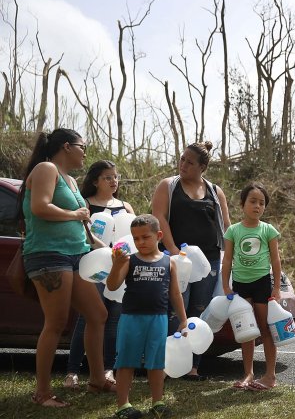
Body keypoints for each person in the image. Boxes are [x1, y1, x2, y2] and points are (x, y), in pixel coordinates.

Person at [19, 128, 114, 408]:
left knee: (98, 314)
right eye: (81, 146)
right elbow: (40, 207)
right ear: (65, 146)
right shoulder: (46, 168)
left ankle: (97, 380)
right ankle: (43, 393)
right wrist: (75, 213)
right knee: (56, 323)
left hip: (76, 256)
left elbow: (83, 228)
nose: (85, 152)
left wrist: (106, 248)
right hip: (49, 256)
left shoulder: (71, 181)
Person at [151, 141, 230, 380]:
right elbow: (159, 218)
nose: (183, 164)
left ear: (203, 167)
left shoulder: (215, 192)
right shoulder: (168, 185)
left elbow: (226, 225)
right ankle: (166, 366)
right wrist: (174, 251)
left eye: (190, 162)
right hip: (178, 260)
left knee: (199, 312)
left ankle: (192, 367)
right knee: (176, 310)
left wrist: (232, 254)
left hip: (210, 262)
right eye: (182, 159)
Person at [106, 214, 187, 419]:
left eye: (145, 237)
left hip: (158, 319)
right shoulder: (129, 260)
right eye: (136, 239)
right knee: (126, 361)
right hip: (131, 318)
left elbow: (175, 294)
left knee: (156, 362)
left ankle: (157, 402)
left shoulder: (170, 262)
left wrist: (184, 319)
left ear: (159, 235)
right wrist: (116, 265)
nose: (140, 242)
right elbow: (112, 285)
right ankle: (123, 405)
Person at [65, 160, 134, 389]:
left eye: (116, 176)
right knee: (88, 317)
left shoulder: (125, 206)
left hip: (119, 267)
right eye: (108, 177)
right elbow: (82, 237)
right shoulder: (85, 204)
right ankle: (72, 372)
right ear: (95, 181)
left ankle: (107, 370)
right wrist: (106, 251)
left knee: (114, 318)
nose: (114, 181)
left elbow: (134, 238)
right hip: (93, 266)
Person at [221, 183, 283, 390]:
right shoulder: (233, 231)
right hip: (240, 284)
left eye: (262, 203)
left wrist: (276, 288)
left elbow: (275, 261)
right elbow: (227, 259)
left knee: (266, 329)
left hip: (262, 284)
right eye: (253, 201)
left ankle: (270, 376)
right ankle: (248, 374)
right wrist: (226, 285)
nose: (257, 206)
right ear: (242, 204)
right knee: (247, 330)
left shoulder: (268, 230)